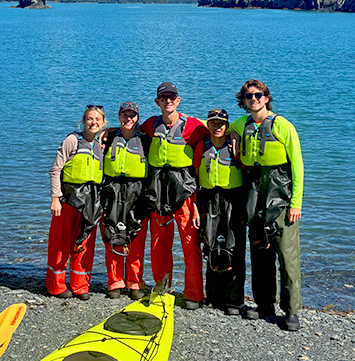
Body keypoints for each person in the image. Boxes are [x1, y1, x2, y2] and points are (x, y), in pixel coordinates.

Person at [229, 79, 304, 331]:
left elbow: (297, 166)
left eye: (258, 95)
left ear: (267, 98)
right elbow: (216, 128)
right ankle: (264, 305)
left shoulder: (282, 125)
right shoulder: (242, 125)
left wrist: (296, 202)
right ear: (244, 101)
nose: (254, 99)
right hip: (255, 194)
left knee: (287, 256)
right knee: (260, 253)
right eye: (249, 96)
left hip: (280, 194)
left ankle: (291, 310)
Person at [140, 82, 209, 310]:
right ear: (157, 102)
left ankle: (194, 294)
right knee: (159, 243)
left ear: (178, 101)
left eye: (172, 97)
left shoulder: (193, 126)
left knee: (190, 244)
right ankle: (162, 289)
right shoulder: (151, 124)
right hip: (158, 191)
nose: (168, 101)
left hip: (185, 191)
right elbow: (131, 132)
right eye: (164, 98)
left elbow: (218, 133)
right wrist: (110, 133)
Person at [46, 105, 106, 300]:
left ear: (103, 123)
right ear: (84, 121)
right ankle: (56, 286)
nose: (93, 122)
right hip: (69, 200)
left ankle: (80, 285)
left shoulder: (100, 146)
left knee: (84, 243)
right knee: (61, 243)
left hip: (90, 202)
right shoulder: (72, 140)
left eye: (98, 119)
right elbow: (56, 170)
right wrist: (56, 198)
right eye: (90, 119)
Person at [193, 108, 246, 316]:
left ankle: (234, 300)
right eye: (213, 122)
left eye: (222, 123)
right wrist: (196, 209)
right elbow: (196, 181)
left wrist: (245, 208)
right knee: (211, 245)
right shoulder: (201, 147)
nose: (217, 126)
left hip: (233, 199)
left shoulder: (236, 146)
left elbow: (247, 175)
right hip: (208, 199)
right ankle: (213, 297)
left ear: (227, 125)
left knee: (235, 247)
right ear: (207, 124)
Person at [100, 101, 151, 300]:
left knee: (136, 237)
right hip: (112, 190)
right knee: (111, 234)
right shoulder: (109, 136)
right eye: (125, 115)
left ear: (137, 117)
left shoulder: (146, 139)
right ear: (119, 116)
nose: (128, 119)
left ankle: (135, 282)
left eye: (132, 116)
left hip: (137, 191)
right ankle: (114, 281)